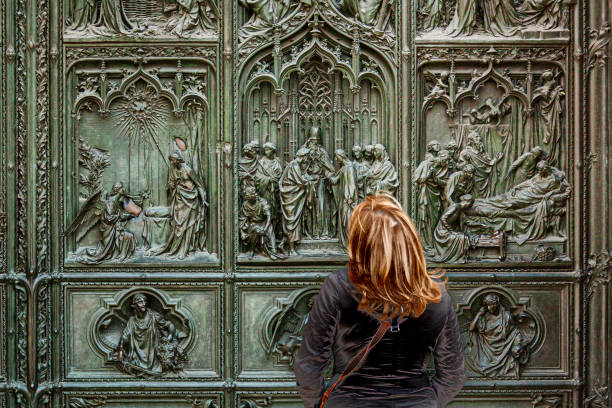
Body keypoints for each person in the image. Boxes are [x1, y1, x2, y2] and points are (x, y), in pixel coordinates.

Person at [294, 194, 465, 407]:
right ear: (409, 242)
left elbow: (308, 367)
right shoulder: (436, 295)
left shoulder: (338, 287)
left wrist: (326, 403)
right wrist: (425, 401)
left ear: (359, 243)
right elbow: (453, 375)